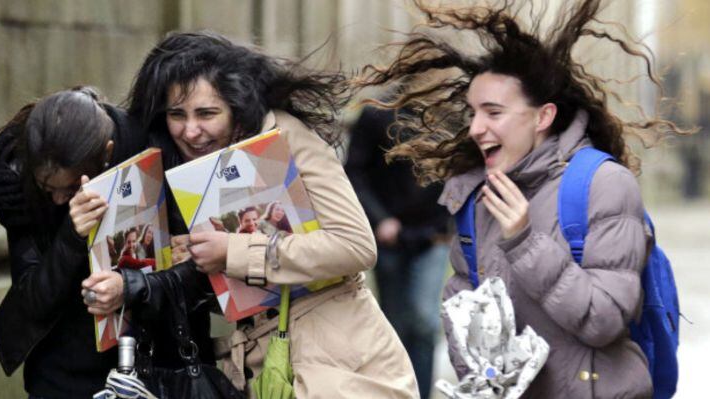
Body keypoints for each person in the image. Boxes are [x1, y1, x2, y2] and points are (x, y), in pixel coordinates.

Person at [356, 0, 690, 397]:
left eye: (493, 112)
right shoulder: (476, 196)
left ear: (542, 117)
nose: (477, 128)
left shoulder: (603, 184)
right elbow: (463, 314)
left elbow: (604, 321)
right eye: (473, 113)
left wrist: (524, 240)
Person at [125, 31, 419, 397]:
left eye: (207, 113)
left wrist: (232, 252)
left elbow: (356, 246)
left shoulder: (286, 136)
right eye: (176, 115)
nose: (191, 130)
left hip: (336, 368)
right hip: (252, 371)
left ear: (236, 106)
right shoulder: (179, 168)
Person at [0, 87, 148, 398]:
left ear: (107, 152)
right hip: (60, 369)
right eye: (47, 187)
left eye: (73, 186)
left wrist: (127, 285)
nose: (60, 198)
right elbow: (33, 299)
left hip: (136, 362)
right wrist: (71, 236)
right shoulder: (17, 184)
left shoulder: (139, 150)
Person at [344, 103, 450, 399]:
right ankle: (398, 391)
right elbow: (355, 171)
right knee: (395, 322)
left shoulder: (450, 112)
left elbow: (459, 170)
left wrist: (450, 222)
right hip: (389, 237)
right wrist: (380, 219)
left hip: (433, 236)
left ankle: (422, 393)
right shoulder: (377, 113)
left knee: (424, 320)